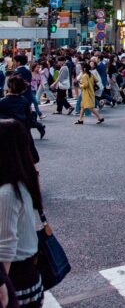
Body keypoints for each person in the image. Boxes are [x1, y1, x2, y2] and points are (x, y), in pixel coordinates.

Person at [0, 119, 45, 308]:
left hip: (15, 281)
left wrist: (2, 287)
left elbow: (5, 247)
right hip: (27, 274)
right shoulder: (23, 180)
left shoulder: (7, 193)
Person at [74, 61, 104, 125]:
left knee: (90, 107)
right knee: (83, 106)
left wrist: (80, 84)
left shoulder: (84, 76)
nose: (80, 69)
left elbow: (85, 85)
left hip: (86, 93)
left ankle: (100, 118)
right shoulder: (91, 74)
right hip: (91, 92)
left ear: (84, 69)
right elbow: (96, 80)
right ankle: (80, 119)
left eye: (81, 68)